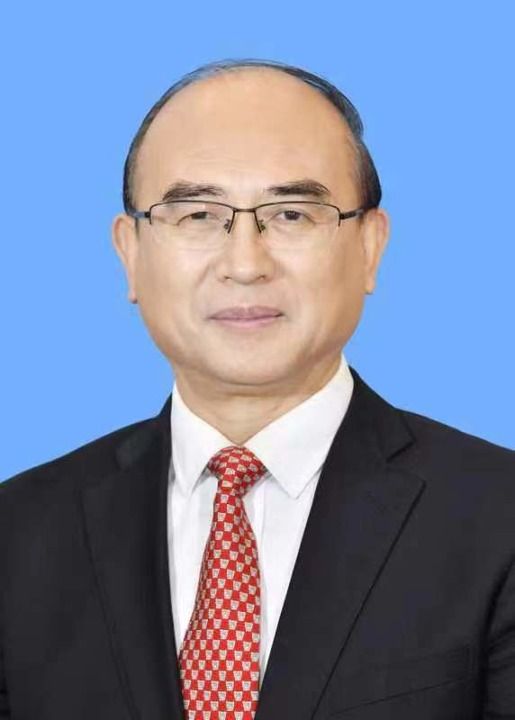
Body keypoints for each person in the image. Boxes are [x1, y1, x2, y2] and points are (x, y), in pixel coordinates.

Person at [0, 57, 514, 720]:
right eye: (198, 215)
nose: (245, 264)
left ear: (370, 247)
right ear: (130, 253)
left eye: (292, 213)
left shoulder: (498, 520)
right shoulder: (17, 535)